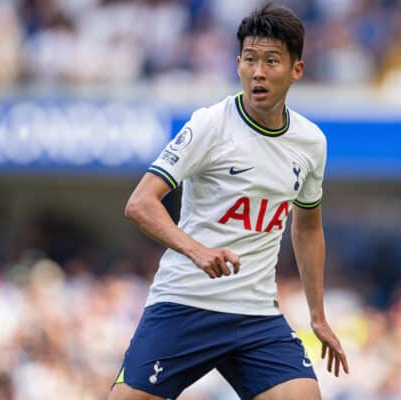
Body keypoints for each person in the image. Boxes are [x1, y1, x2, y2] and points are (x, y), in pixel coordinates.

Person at [109, 3, 349, 399]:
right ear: (237, 64)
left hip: (255, 315)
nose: (258, 71)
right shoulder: (210, 124)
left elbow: (306, 228)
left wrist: (318, 316)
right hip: (186, 302)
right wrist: (196, 251)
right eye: (250, 59)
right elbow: (140, 203)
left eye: (272, 61)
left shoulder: (311, 143)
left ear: (296, 70)